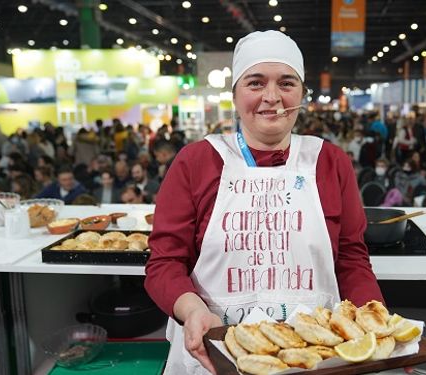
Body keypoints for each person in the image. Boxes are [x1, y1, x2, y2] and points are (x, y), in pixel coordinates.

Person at [144, 30, 384, 375]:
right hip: (214, 349)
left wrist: (374, 321)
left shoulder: (330, 161)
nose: (272, 97)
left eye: (286, 83)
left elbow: (351, 259)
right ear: (235, 94)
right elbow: (164, 263)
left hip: (316, 351)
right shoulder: (196, 161)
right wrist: (192, 310)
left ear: (302, 93)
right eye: (255, 83)